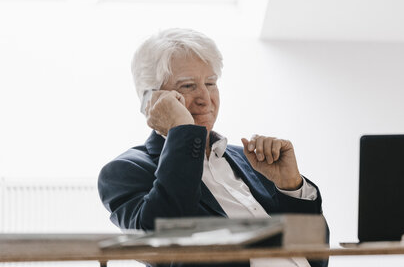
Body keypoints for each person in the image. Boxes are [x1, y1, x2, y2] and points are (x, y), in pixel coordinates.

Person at [98, 28, 329, 267]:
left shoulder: (251, 159)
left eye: (210, 83)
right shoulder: (123, 171)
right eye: (187, 86)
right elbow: (160, 244)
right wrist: (182, 133)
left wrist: (291, 188)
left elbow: (317, 259)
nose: (205, 99)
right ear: (151, 100)